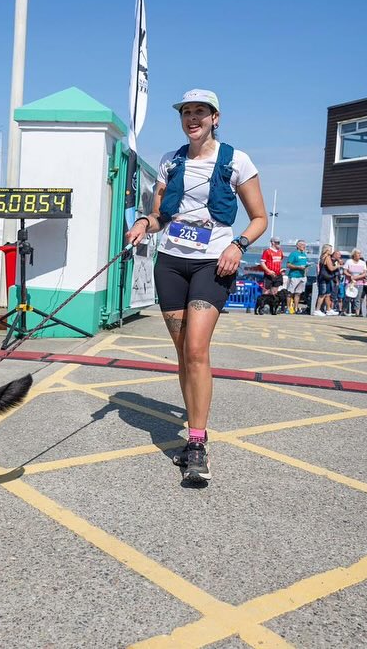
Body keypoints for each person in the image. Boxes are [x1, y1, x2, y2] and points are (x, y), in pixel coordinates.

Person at [124, 89, 268, 486]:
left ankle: (197, 441)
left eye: (199, 112)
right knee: (183, 353)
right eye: (186, 112)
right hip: (170, 262)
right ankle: (195, 419)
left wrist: (238, 246)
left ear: (215, 117)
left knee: (196, 349)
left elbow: (259, 218)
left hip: (213, 262)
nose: (192, 118)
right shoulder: (171, 161)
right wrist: (142, 224)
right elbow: (158, 217)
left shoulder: (236, 160)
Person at [283, 239, 309, 314]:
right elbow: (288, 265)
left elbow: (304, 264)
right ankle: (288, 308)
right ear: (298, 246)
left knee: (298, 293)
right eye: (302, 245)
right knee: (290, 292)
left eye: (305, 245)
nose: (304, 247)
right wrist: (298, 267)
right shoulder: (293, 254)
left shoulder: (304, 254)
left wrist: (306, 268)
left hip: (302, 276)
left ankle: (296, 308)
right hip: (294, 276)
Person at [314, 244, 339, 316]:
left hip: (324, 277)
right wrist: (337, 266)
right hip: (324, 278)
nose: (331, 251)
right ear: (327, 250)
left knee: (328, 294)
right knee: (322, 294)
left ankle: (328, 309)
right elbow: (331, 268)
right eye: (330, 249)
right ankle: (317, 309)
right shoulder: (327, 257)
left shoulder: (322, 257)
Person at [259, 236, 284, 307]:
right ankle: (263, 306)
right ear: (273, 243)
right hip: (269, 275)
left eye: (279, 242)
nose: (279, 244)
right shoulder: (267, 251)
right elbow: (262, 263)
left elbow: (280, 261)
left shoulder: (280, 252)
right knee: (266, 291)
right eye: (277, 242)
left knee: (275, 291)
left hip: (278, 274)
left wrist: (281, 270)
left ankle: (272, 306)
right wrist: (268, 271)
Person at [341, 249, 367, 316]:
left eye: (360, 253)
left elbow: (364, 273)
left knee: (357, 298)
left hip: (359, 283)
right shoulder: (349, 262)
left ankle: (357, 312)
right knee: (348, 297)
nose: (359, 255)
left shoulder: (362, 263)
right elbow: (345, 271)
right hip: (349, 282)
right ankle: (343, 311)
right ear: (354, 254)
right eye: (358, 253)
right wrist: (350, 276)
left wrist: (357, 277)